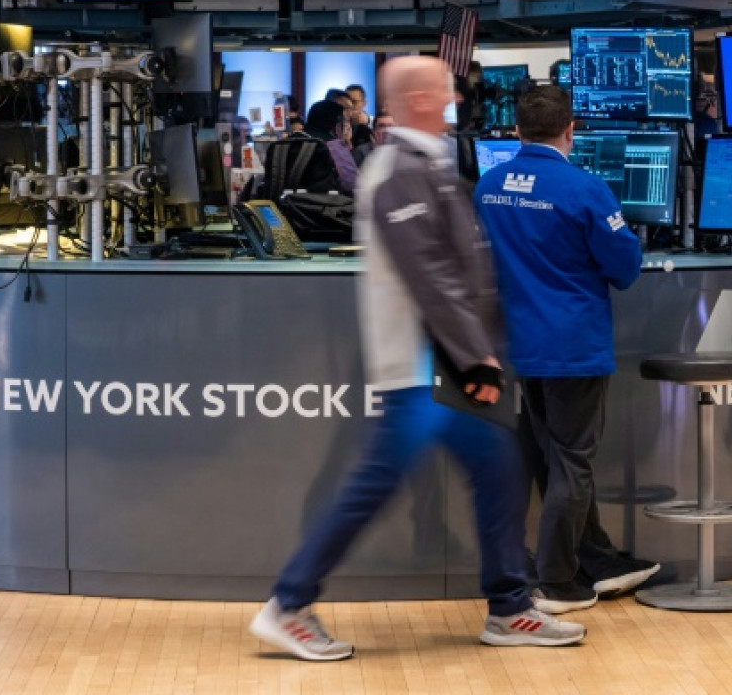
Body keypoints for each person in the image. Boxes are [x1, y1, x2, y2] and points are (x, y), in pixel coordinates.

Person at [249, 56, 584, 661]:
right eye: (444, 86)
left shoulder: (421, 162)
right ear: (422, 98)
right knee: (375, 487)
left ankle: (508, 607)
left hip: (431, 370)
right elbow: (428, 275)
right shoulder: (399, 171)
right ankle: (288, 604)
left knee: (496, 468)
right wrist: (473, 357)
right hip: (417, 373)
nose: (456, 92)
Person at [474, 83, 659, 614]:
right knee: (573, 462)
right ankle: (556, 582)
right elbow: (625, 268)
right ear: (571, 129)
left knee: (553, 458)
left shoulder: (488, 186)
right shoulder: (585, 189)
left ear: (516, 130)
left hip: (521, 344)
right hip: (574, 344)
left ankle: (594, 558)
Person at [304, 98, 359, 192]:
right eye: (344, 123)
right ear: (337, 126)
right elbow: (353, 184)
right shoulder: (334, 146)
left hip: (287, 203)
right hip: (325, 204)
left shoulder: (290, 141)